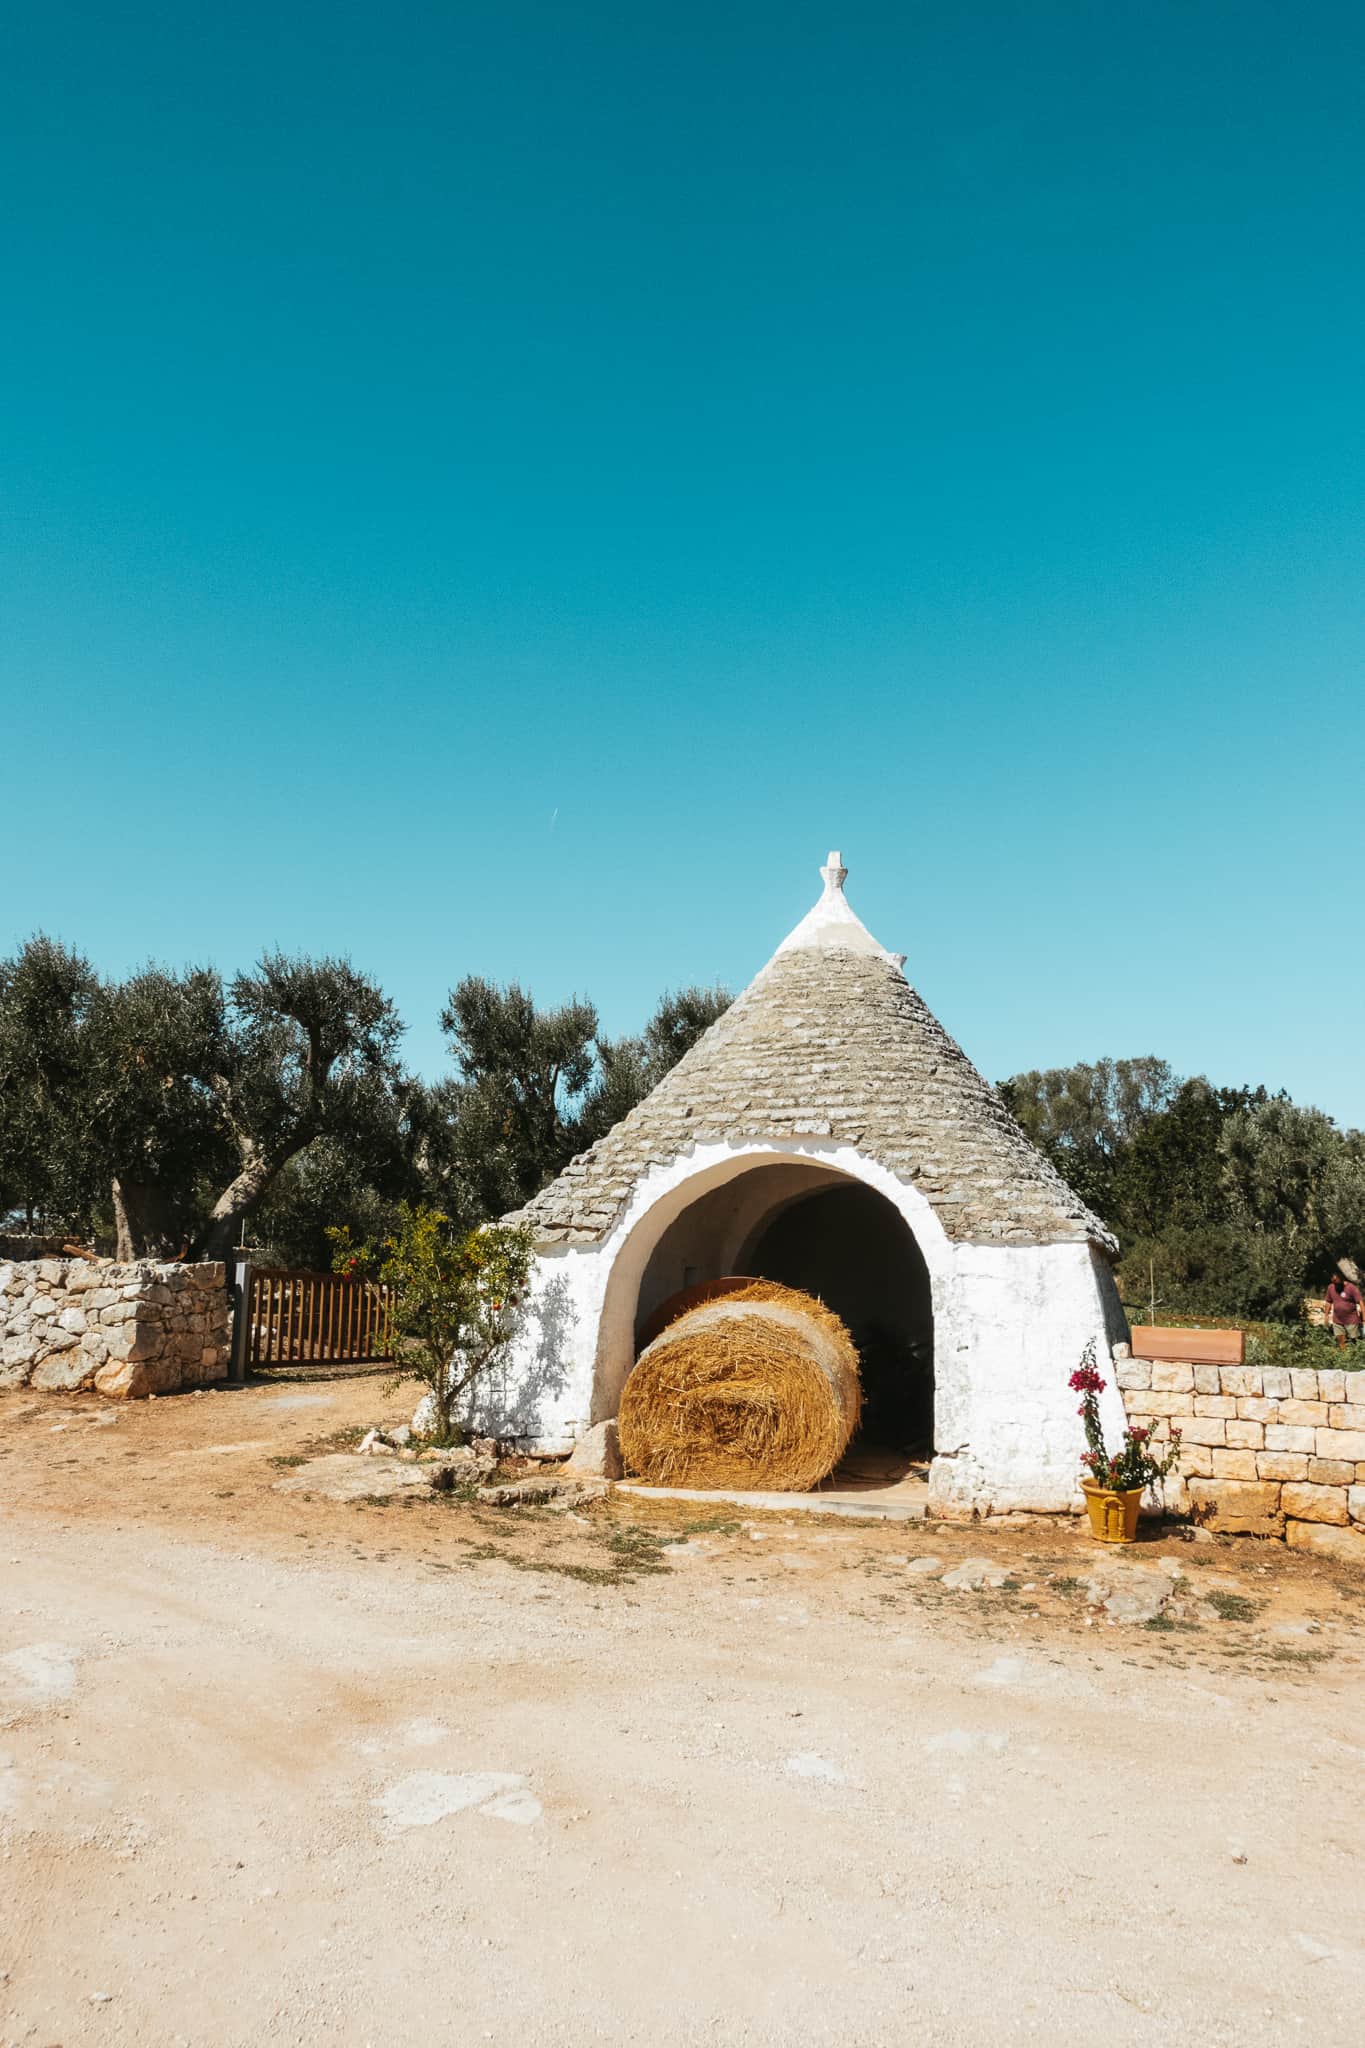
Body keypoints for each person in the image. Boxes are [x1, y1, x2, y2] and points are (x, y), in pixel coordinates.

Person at [1324, 1270, 1365, 1348]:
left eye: (1337, 1283)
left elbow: (1361, 1303)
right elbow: (1328, 1302)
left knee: (1354, 1341)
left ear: (1342, 1280)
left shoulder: (1351, 1288)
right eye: (1334, 1283)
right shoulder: (1331, 1287)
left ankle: (1355, 1356)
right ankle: (1344, 1356)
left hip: (1351, 1320)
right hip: (1337, 1320)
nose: (1336, 1285)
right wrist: (1326, 1315)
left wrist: (1364, 1319)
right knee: (1340, 1340)